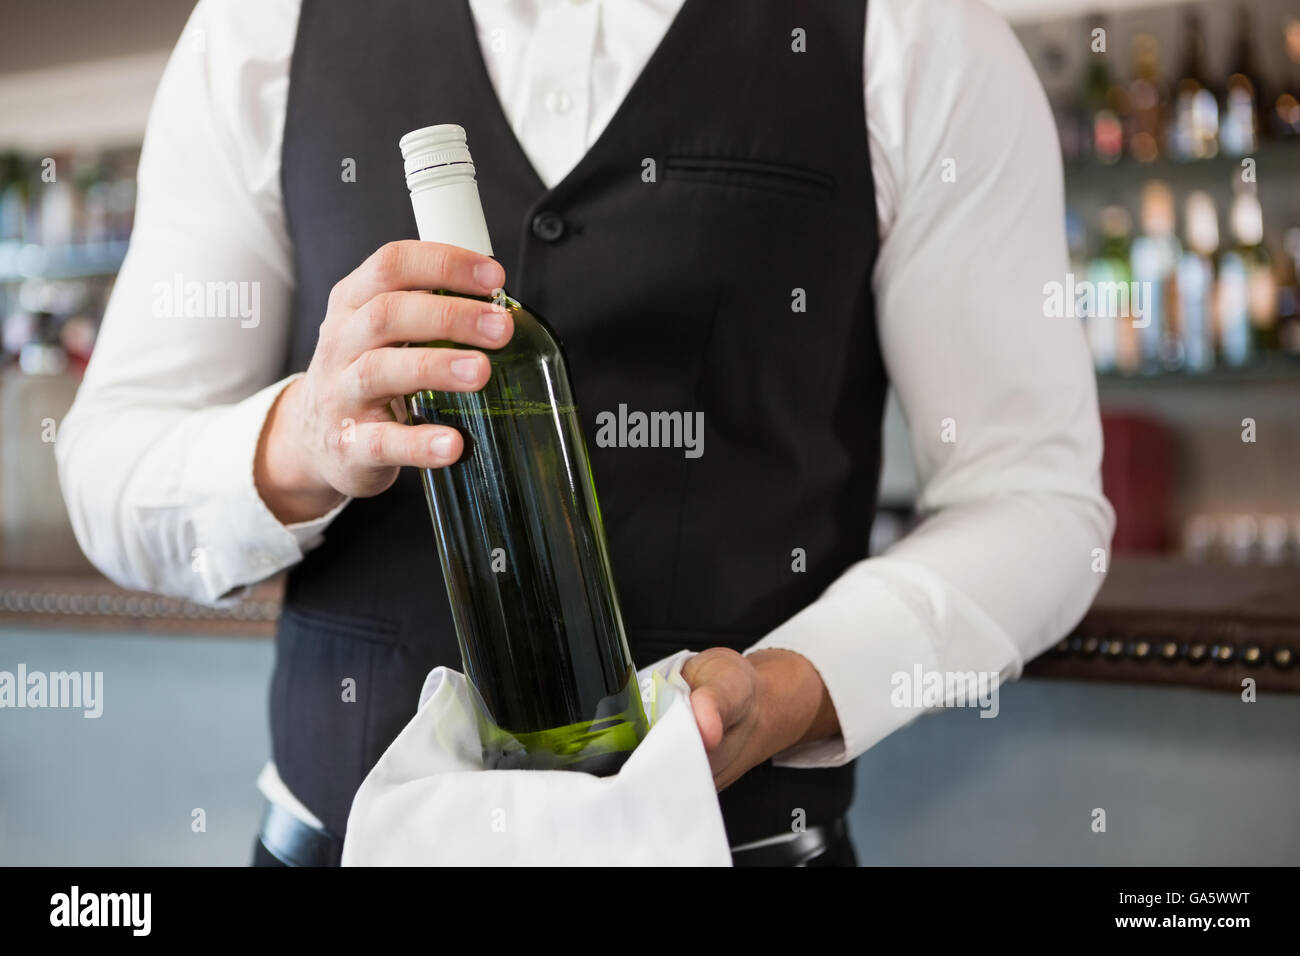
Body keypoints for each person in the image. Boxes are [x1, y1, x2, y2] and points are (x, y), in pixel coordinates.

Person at [57, 0, 1114, 867]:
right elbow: (111, 472)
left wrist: (793, 687)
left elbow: (1035, 502)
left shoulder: (920, 38)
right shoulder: (259, 35)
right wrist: (303, 439)